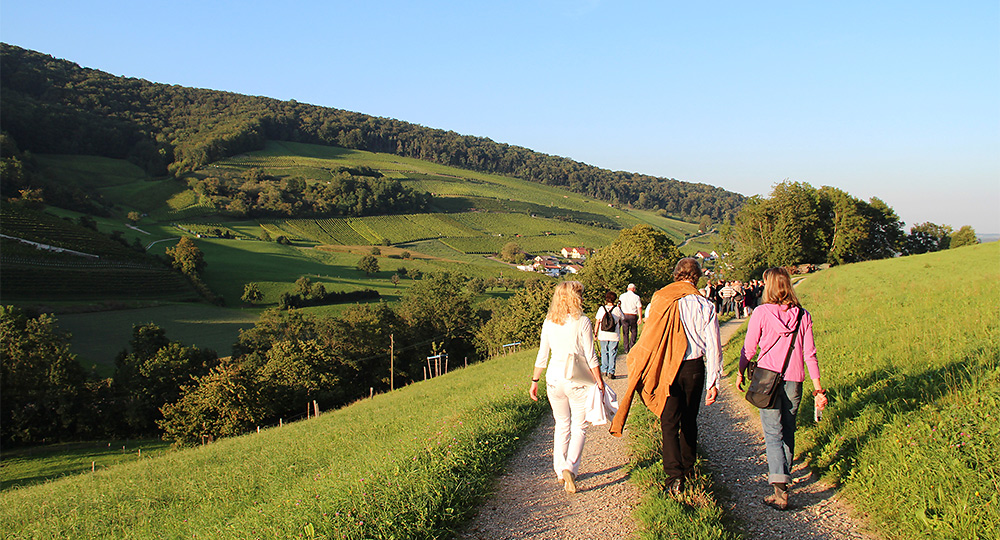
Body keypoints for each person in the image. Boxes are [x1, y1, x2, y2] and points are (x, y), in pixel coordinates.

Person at [610, 258, 722, 494]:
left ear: (676, 275)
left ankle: (674, 477)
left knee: (669, 421)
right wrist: (714, 381)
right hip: (694, 368)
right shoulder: (705, 305)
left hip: (666, 368)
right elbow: (713, 347)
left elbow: (651, 336)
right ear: (697, 277)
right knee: (690, 420)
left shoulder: (659, 300)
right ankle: (689, 470)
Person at [736, 267, 828, 510]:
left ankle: (780, 488)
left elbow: (749, 347)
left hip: (767, 378)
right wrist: (819, 389)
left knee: (772, 432)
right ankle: (783, 478)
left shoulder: (761, 312)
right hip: (794, 379)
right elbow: (810, 354)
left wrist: (740, 371)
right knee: (788, 429)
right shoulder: (802, 315)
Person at [529, 281, 605, 493]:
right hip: (577, 379)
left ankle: (559, 468)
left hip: (553, 379)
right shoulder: (582, 322)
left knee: (561, 424)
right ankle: (571, 468)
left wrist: (534, 381)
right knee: (579, 426)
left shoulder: (548, 322)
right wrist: (599, 381)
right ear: (576, 298)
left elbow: (542, 356)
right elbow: (591, 356)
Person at [594, 291, 624, 379]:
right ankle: (611, 371)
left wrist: (595, 333)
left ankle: (604, 370)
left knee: (604, 352)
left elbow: (597, 322)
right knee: (612, 353)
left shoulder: (601, 309)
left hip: (603, 334)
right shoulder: (617, 309)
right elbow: (623, 318)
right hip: (614, 335)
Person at [618, 283, 643, 353]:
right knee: (634, 331)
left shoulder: (622, 296)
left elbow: (618, 306)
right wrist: (640, 318)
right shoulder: (636, 297)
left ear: (627, 289)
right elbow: (639, 307)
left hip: (624, 315)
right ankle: (632, 345)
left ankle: (626, 348)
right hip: (633, 315)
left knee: (625, 332)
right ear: (634, 289)